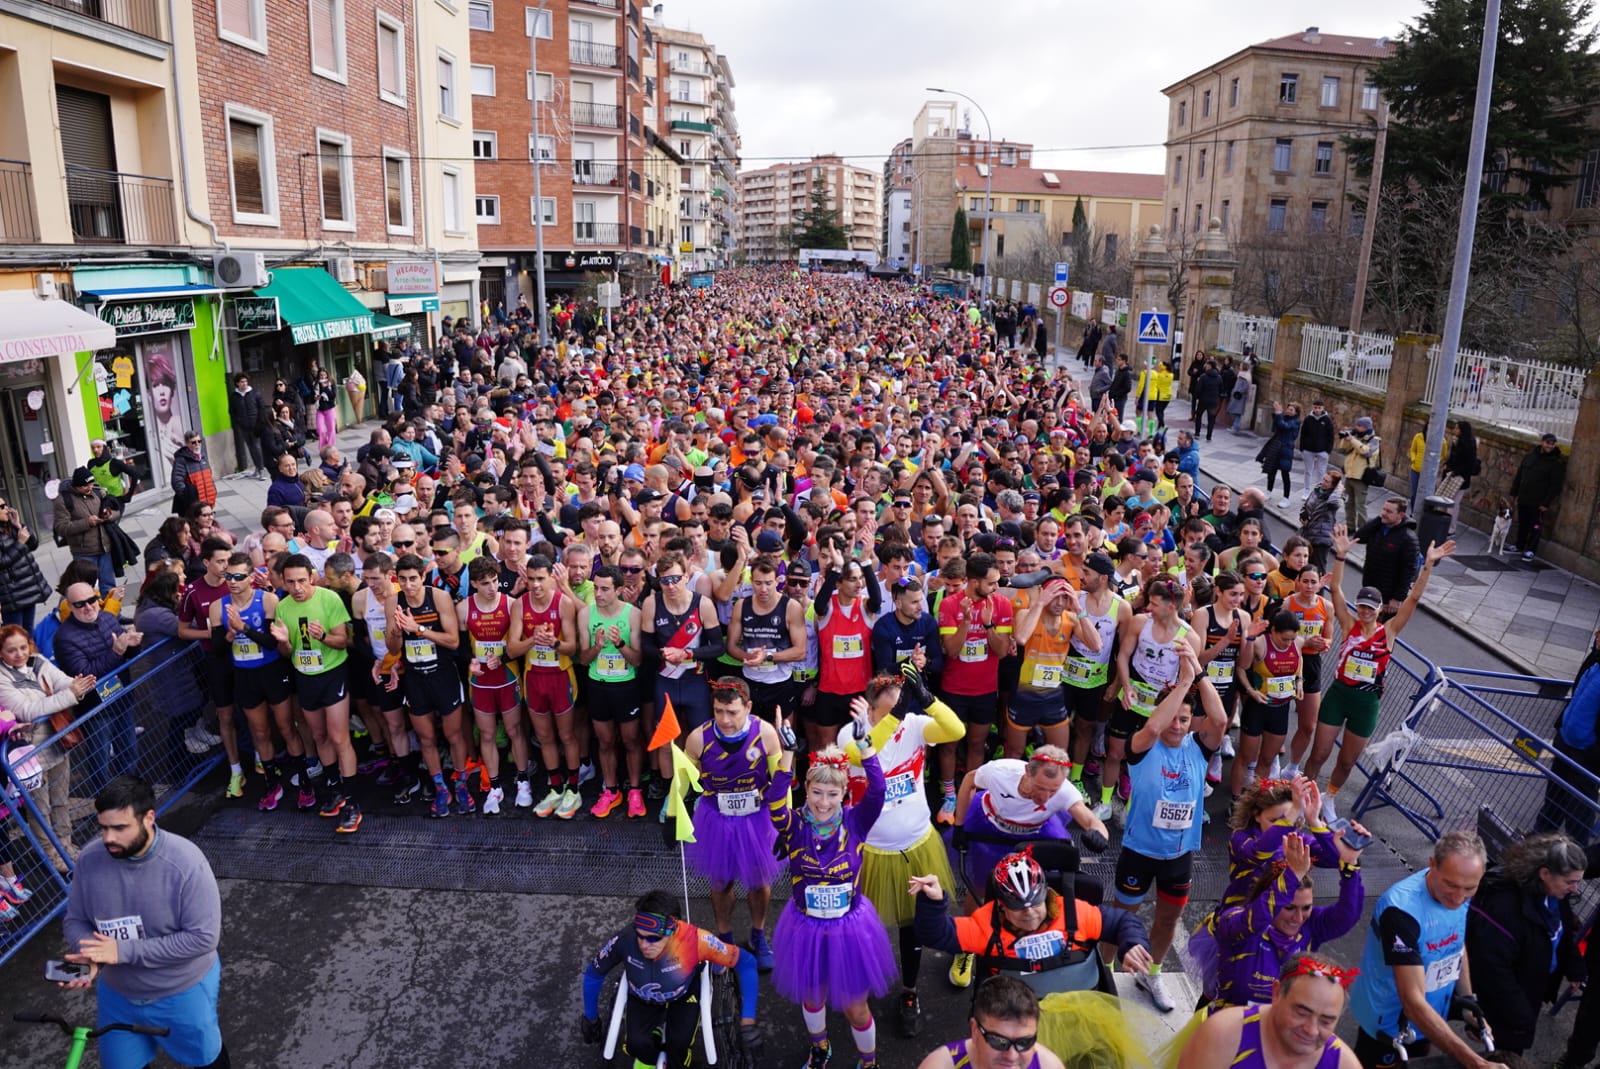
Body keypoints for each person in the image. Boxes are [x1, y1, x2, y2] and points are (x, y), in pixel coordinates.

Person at [59, 775, 231, 1069]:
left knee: (206, 1061)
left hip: (181, 992)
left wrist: (122, 952)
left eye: (120, 828)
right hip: (119, 997)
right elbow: (75, 920)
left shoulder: (186, 864)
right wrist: (90, 955)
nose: (108, 838)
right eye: (103, 828)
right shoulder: (90, 860)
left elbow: (202, 938)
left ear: (149, 818)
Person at [767, 705, 897, 1069]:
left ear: (843, 795)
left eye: (831, 794)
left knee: (857, 1009)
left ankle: (868, 1061)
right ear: (806, 790)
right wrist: (788, 752)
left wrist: (865, 745)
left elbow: (879, 790)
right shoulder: (792, 825)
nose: (823, 803)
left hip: (850, 928)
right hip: (805, 927)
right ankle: (820, 1049)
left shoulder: (856, 823)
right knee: (812, 997)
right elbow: (774, 801)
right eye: (816, 793)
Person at [839, 664, 963, 1036]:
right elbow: (861, 755)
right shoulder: (853, 733)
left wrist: (930, 700)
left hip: (916, 845)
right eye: (893, 705)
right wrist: (890, 718)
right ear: (872, 706)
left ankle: (909, 992)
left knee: (912, 927)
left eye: (903, 703)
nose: (902, 710)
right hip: (871, 852)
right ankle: (863, 984)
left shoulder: (915, 725)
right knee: (866, 925)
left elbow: (954, 730)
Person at [1109, 637, 1226, 1014]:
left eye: (1185, 720)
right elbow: (1157, 723)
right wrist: (1181, 683)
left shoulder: (1198, 747)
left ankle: (1153, 972)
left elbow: (1221, 720)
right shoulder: (1143, 745)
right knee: (1121, 917)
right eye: (1173, 717)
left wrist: (1199, 673)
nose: (1177, 725)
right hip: (1138, 851)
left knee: (1167, 918)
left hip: (1178, 855)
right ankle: (1104, 971)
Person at [1304, 528, 1452, 824]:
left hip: (1366, 702)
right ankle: (1304, 798)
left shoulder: (1389, 633)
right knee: (1319, 754)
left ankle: (1330, 798)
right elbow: (1335, 590)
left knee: (1347, 760)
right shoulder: (1348, 625)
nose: (1365, 611)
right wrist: (1341, 555)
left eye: (1371, 608)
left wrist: (1428, 566)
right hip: (1339, 695)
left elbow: (1414, 598)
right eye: (1361, 606)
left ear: (1380, 609)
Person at [911, 845, 1153, 991]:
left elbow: (1124, 922)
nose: (1029, 912)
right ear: (1002, 906)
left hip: (1079, 1008)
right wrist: (933, 902)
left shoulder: (1075, 912)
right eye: (1018, 907)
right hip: (1014, 1021)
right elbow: (934, 934)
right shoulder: (986, 924)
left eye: (1035, 903)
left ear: (1046, 894)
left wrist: (1132, 945)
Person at [1349, 831, 1495, 1069]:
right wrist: (1475, 1062)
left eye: (1469, 888)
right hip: (1388, 1025)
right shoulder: (1401, 911)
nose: (1459, 898)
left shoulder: (1458, 891)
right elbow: (1413, 1003)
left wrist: (1468, 1002)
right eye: (1451, 885)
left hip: (1428, 1016)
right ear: (1432, 864)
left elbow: (1456, 942)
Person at [578, 889, 762, 1069]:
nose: (644, 945)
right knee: (637, 1044)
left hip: (684, 996)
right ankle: (648, 1057)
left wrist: (748, 1020)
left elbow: (746, 962)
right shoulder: (624, 939)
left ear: (672, 930)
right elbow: (594, 973)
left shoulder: (697, 941)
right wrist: (591, 1018)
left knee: (678, 1045)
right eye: (640, 936)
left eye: (653, 939)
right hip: (642, 997)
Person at [682, 677, 783, 970]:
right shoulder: (698, 738)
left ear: (748, 707)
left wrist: (784, 819)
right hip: (717, 817)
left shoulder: (765, 733)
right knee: (720, 880)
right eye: (718, 711)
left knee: (759, 880)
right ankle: (723, 939)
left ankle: (757, 934)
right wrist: (677, 812)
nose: (725, 720)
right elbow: (685, 781)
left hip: (757, 817)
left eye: (733, 712)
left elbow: (780, 780)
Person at [1212, 829, 1366, 1008]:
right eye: (1289, 908)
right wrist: (1292, 876)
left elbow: (1347, 914)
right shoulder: (1236, 921)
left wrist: (1350, 866)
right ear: (1272, 898)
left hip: (1280, 1030)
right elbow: (1255, 919)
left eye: (1306, 908)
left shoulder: (1310, 926)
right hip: (1232, 1029)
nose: (1298, 918)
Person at [1464, 832, 1587, 1055]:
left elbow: (1562, 933)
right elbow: (1492, 969)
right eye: (1570, 882)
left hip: (1528, 989)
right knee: (1504, 1055)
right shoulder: (1504, 908)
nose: (1575, 889)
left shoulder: (1555, 895)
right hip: (1507, 1003)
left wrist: (1574, 967)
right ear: (1545, 873)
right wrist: (1522, 1015)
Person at [269, 554, 362, 834]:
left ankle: (352, 802)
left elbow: (343, 641)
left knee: (338, 736)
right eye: (290, 582)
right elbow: (286, 652)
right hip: (304, 676)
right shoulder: (283, 608)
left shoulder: (329, 599)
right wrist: (284, 643)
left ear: (311, 576)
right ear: (283, 582)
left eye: (301, 580)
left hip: (332, 674)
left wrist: (322, 637)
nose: (297, 587)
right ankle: (334, 788)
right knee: (319, 736)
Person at [0, 623, 95, 868]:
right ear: (1, 652)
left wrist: (77, 687)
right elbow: (28, 711)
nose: (20, 654)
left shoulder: (38, 660)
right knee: (39, 809)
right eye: (12, 650)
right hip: (30, 754)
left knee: (61, 800)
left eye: (23, 647)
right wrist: (72, 694)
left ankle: (66, 844)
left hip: (57, 741)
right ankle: (50, 855)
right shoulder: (1, 679)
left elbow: (62, 681)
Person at [1178, 953, 1361, 1069]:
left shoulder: (1344, 1064)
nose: (1311, 1030)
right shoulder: (1223, 1035)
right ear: (1276, 993)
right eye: (1301, 1012)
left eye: (1326, 1021)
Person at [916, 975, 1067, 1069]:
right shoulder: (939, 1066)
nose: (1012, 1056)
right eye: (999, 1041)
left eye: (1025, 1042)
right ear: (974, 1030)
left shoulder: (1049, 1065)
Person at [54, 467, 126, 594]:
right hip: (84, 553)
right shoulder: (63, 500)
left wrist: (109, 515)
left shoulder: (97, 492)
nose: (90, 488)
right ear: (76, 486)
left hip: (104, 549)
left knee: (109, 586)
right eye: (85, 486)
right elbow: (61, 528)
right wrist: (87, 523)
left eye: (91, 484)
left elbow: (116, 511)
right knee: (86, 589)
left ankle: (113, 612)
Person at [1352, 498, 1419, 619]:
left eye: (1389, 511)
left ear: (1401, 515)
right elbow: (1359, 537)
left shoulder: (1408, 538)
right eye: (1383, 509)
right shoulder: (1377, 527)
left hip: (1388, 598)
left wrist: (1398, 598)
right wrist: (1379, 520)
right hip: (1369, 589)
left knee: (1380, 632)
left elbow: (1408, 571)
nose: (1384, 513)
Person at [1509, 431, 1566, 562]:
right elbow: (1520, 475)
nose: (1549, 446)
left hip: (1538, 501)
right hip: (1524, 496)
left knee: (1535, 526)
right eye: (1547, 443)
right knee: (1523, 523)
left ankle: (1530, 550)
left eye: (1552, 444)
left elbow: (1555, 485)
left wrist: (1546, 503)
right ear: (1542, 442)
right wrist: (1514, 492)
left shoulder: (1556, 462)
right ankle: (1519, 545)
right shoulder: (1531, 456)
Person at [0, 495, 50, 634]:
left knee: (28, 635)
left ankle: (31, 656)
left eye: (5, 505)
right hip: (11, 595)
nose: (6, 509)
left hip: (27, 589)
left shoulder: (10, 526)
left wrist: (18, 525)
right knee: (15, 637)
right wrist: (19, 543)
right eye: (2, 507)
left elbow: (33, 544)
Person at [1336, 417, 1382, 527]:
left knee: (1360, 505)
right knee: (1348, 503)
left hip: (1361, 477)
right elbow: (1343, 449)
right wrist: (1345, 438)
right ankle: (1350, 526)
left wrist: (1352, 439)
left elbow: (1366, 452)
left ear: (1366, 427)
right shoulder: (1356, 437)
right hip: (1349, 474)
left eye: (1359, 426)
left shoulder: (1374, 440)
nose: (1356, 428)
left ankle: (1362, 529)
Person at [228, 373, 269, 480]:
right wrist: (239, 422)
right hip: (244, 427)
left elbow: (261, 408)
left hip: (256, 425)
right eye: (242, 382)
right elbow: (232, 412)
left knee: (257, 446)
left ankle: (261, 469)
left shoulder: (255, 393)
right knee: (251, 447)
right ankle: (257, 467)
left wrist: (261, 422)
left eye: (245, 381)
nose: (244, 384)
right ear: (237, 383)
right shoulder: (234, 397)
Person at [170, 431, 217, 517]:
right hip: (194, 507)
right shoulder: (181, 460)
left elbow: (209, 476)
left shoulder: (203, 456)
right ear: (187, 444)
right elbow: (176, 482)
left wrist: (214, 492)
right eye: (194, 442)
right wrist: (188, 498)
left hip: (208, 503)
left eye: (199, 441)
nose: (197, 444)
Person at [1262, 402, 1300, 507]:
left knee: (1285, 474)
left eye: (1291, 410)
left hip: (1286, 450)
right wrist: (1277, 415)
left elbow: (1285, 426)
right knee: (1271, 471)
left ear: (1296, 413)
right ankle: (1268, 491)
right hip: (1276, 448)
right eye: (1288, 409)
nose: (1288, 411)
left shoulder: (1295, 421)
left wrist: (1278, 414)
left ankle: (1286, 498)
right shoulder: (1283, 417)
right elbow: (1275, 428)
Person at [1299, 400, 1336, 501]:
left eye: (1319, 408)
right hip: (1308, 450)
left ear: (1323, 408)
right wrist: (1302, 448)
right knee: (1308, 471)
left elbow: (1331, 436)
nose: (1317, 410)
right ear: (1313, 407)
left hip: (1322, 451)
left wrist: (1328, 450)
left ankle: (1319, 491)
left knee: (1321, 472)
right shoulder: (1308, 419)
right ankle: (1306, 490)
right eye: (1315, 407)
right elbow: (1303, 434)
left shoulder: (1327, 420)